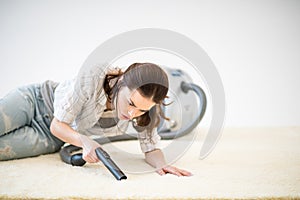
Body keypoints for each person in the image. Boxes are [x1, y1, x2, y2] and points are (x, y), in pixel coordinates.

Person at [0, 62, 192, 176]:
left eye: (142, 110)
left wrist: (162, 165)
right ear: (121, 82)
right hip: (35, 101)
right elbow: (58, 123)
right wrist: (85, 142)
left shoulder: (147, 109)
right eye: (131, 103)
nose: (133, 114)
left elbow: (151, 148)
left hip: (51, 137)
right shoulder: (94, 76)